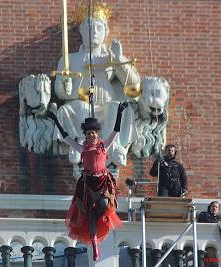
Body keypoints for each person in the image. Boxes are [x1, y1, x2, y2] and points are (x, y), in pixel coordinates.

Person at [53, 1, 140, 175]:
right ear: (81, 32)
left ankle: (112, 150)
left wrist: (118, 61)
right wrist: (65, 86)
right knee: (68, 110)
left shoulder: (111, 55)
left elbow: (134, 88)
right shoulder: (70, 59)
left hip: (106, 102)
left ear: (105, 32)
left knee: (117, 109)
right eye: (88, 28)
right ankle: (80, 145)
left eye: (98, 28)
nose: (93, 32)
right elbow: (61, 93)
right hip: (82, 102)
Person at [46, 102, 128, 261]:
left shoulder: (104, 146)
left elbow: (116, 130)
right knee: (88, 214)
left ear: (98, 134)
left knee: (104, 205)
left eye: (93, 133)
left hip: (102, 181)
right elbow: (66, 136)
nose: (90, 135)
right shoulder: (81, 148)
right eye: (88, 133)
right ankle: (94, 243)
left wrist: (119, 112)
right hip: (88, 183)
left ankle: (100, 218)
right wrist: (55, 119)